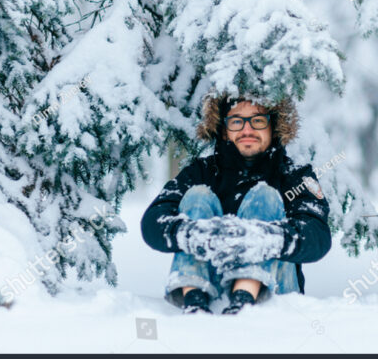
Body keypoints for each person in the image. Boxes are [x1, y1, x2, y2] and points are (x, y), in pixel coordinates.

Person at [141, 92, 332, 315]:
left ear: (274, 127)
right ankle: (194, 300)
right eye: (236, 121)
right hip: (209, 293)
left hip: (275, 298)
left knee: (266, 197)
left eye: (258, 120)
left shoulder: (294, 175)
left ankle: (245, 298)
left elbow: (317, 234)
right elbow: (153, 220)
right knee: (197, 196)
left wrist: (265, 237)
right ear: (223, 130)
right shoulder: (201, 172)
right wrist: (192, 233)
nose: (247, 130)